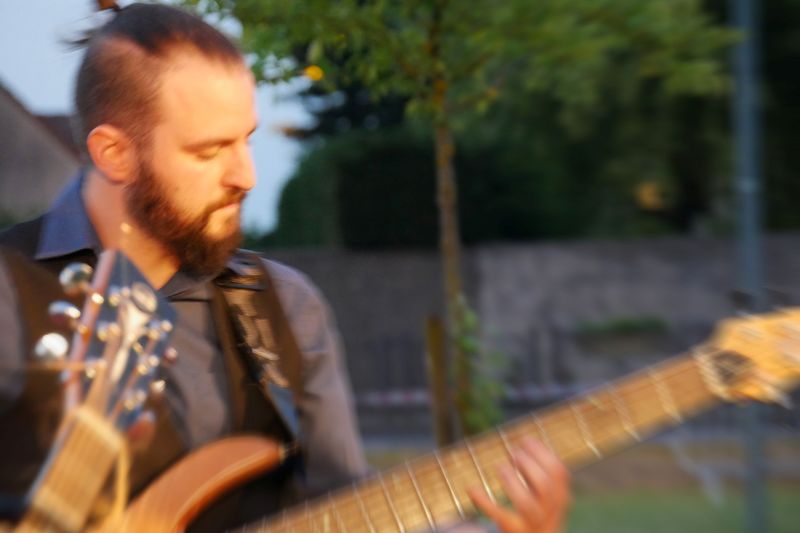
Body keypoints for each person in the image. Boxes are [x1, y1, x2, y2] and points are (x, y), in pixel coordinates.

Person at [0, 3, 569, 531]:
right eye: (208, 151)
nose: (245, 176)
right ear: (114, 154)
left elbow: (345, 508)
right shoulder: (8, 290)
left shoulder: (283, 304)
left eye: (246, 140)